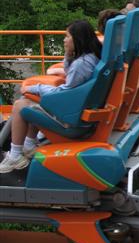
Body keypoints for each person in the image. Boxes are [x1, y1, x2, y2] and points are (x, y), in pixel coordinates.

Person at [0, 20, 102, 173]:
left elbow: (62, 93)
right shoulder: (90, 58)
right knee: (31, 100)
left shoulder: (81, 65)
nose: (64, 40)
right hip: (79, 114)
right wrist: (68, 55)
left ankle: (15, 156)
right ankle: (29, 145)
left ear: (77, 39)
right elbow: (70, 78)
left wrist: (35, 88)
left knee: (20, 105)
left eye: (67, 36)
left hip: (71, 123)